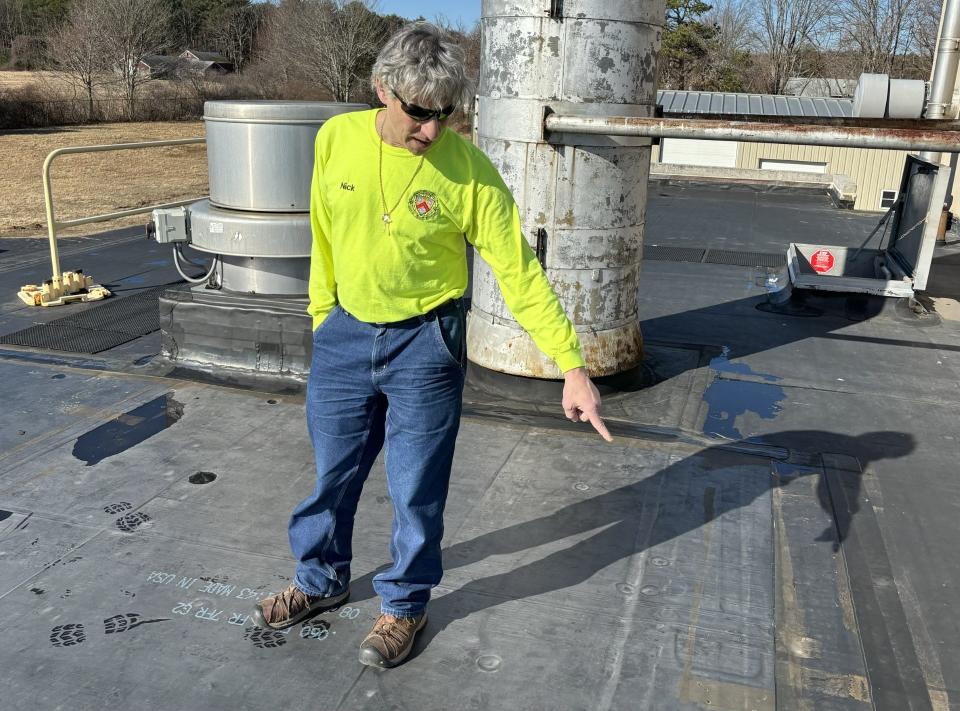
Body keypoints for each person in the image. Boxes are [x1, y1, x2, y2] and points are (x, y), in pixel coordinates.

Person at [252, 21, 612, 669]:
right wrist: (322, 316)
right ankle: (319, 579)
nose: (433, 130)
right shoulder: (336, 140)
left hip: (426, 342)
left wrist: (571, 364)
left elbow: (519, 272)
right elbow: (325, 230)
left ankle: (406, 604)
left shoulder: (468, 173)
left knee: (416, 486)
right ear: (381, 89)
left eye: (446, 114)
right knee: (331, 473)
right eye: (419, 114)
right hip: (344, 335)